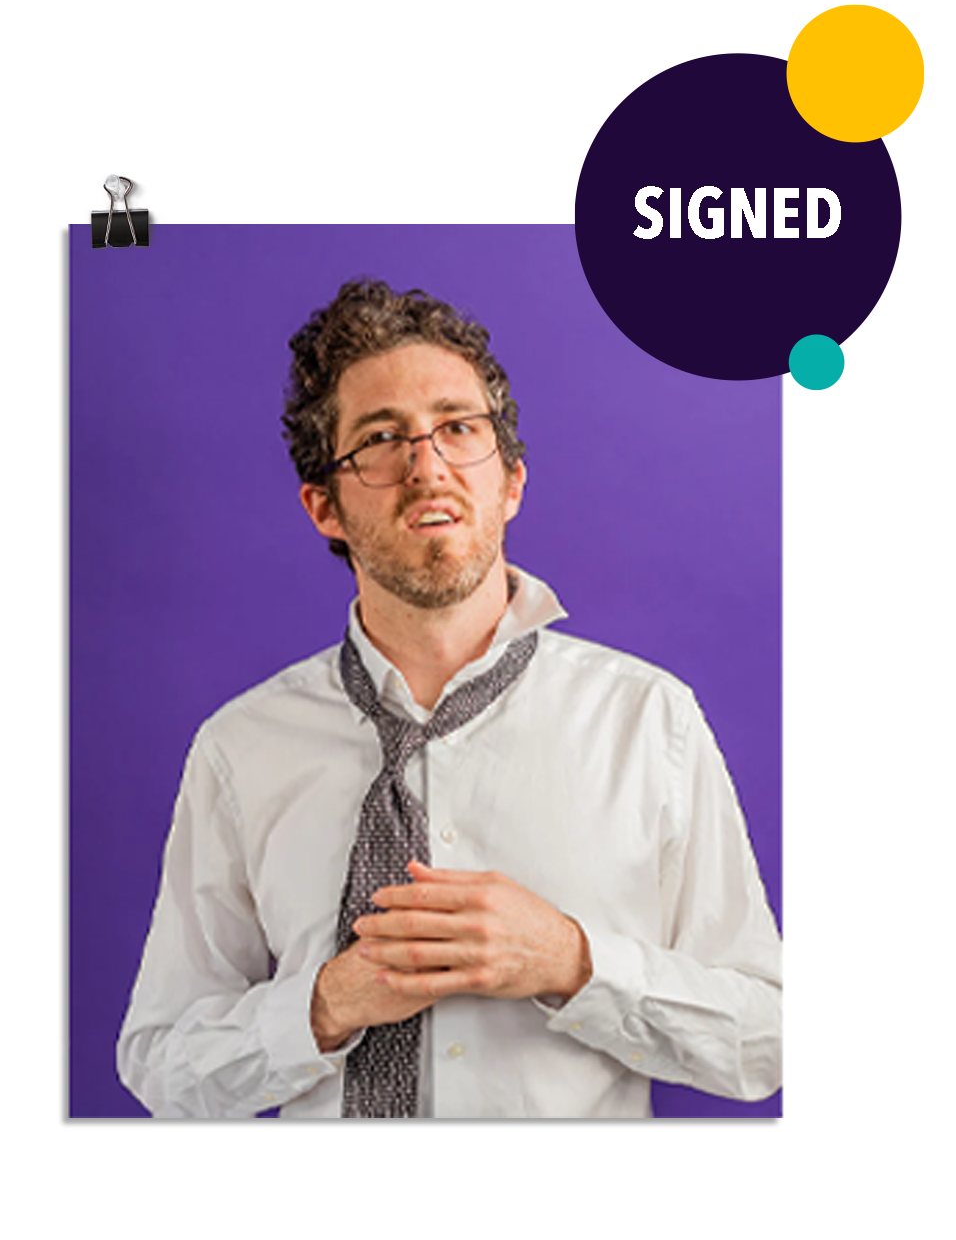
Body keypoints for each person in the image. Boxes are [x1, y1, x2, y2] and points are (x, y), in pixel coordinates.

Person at [116, 278, 782, 1119]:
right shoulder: (240, 750)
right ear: (324, 506)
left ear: (509, 483)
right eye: (382, 439)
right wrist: (321, 1010)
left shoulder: (649, 723)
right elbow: (163, 1066)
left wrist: (576, 964)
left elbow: (768, 1039)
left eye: (457, 429)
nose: (426, 465)